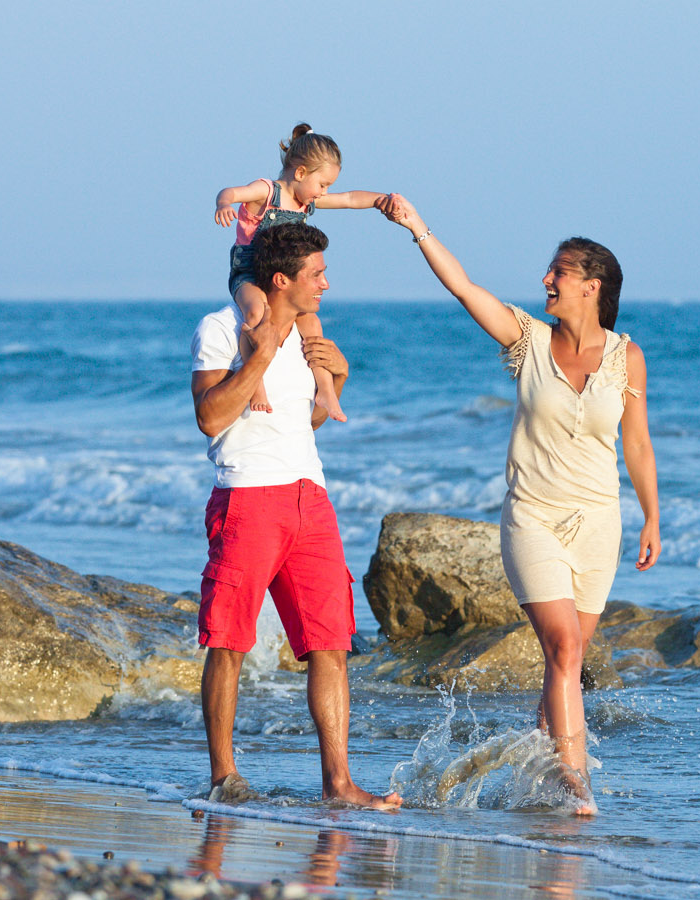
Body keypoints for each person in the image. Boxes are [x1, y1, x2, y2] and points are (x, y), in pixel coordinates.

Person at [380, 194, 660, 814]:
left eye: (558, 271)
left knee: (568, 662)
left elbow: (637, 445)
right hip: (532, 518)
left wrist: (652, 518)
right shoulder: (527, 340)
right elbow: (464, 288)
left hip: (600, 525)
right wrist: (417, 228)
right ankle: (573, 782)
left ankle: (530, 785)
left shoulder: (626, 356)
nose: (546, 280)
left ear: (592, 286)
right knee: (562, 650)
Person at [189, 222, 399, 810]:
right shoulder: (221, 329)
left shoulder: (311, 340)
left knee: (330, 643)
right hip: (246, 497)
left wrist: (338, 377)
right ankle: (224, 777)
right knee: (228, 641)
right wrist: (258, 357)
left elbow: (301, 420)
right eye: (317, 274)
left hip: (311, 496)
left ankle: (339, 784)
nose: (326, 284)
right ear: (281, 280)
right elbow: (211, 417)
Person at [214, 123, 392, 423]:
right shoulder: (267, 191)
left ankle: (324, 389)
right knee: (256, 311)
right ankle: (255, 385)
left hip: (287, 279)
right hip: (249, 272)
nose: (324, 193)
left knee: (312, 323)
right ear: (300, 173)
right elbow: (231, 192)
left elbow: (349, 199)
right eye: (322, 185)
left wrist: (380, 200)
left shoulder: (305, 200)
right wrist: (223, 204)